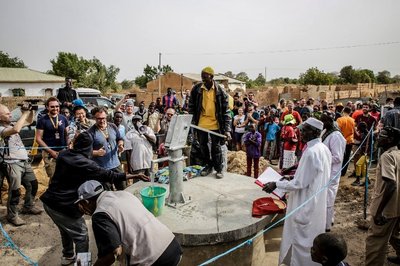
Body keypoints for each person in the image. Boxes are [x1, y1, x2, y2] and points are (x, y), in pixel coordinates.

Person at [40, 132, 148, 266]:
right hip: (63, 206)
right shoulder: (85, 164)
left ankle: (67, 256)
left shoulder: (64, 154)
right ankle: (83, 264)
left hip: (49, 202)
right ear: (88, 148)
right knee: (81, 236)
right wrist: (133, 176)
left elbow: (80, 153)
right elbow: (108, 174)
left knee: (65, 229)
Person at [263, 117, 332, 266]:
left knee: (300, 240)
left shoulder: (311, 152)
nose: (300, 132)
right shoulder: (323, 149)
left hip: (305, 202)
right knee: (310, 236)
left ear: (314, 132)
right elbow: (311, 175)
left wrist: (276, 184)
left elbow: (299, 183)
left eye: (304, 130)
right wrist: (290, 175)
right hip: (316, 201)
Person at [75, 180, 182, 266]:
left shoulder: (100, 215)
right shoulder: (123, 194)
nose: (82, 208)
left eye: (82, 204)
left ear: (86, 202)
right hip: (173, 246)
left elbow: (112, 254)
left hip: (154, 260)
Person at [0, 103, 43, 226]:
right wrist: (23, 113)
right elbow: (16, 130)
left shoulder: (11, 123)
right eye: (7, 113)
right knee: (15, 191)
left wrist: (30, 111)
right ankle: (12, 216)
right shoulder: (1, 128)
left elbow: (29, 121)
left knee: (33, 184)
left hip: (23, 161)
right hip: (11, 163)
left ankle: (28, 206)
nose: (10, 115)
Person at [188, 66, 231, 179]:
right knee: (203, 146)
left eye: (205, 76)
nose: (203, 78)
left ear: (211, 77)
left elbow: (226, 111)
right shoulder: (197, 89)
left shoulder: (220, 91)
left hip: (215, 122)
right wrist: (192, 120)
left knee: (216, 147)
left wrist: (227, 129)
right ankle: (208, 166)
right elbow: (191, 106)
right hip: (201, 122)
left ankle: (219, 168)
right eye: (202, 76)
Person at [365, 127, 400, 265]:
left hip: (387, 209)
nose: (378, 138)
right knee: (394, 234)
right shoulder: (398, 154)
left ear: (390, 140)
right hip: (397, 206)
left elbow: (391, 184)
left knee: (376, 241)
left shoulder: (387, 156)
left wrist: (379, 212)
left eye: (382, 136)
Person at [88, 107, 125, 191]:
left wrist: (120, 144)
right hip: (102, 168)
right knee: (107, 193)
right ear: (94, 118)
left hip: (116, 165)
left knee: (123, 189)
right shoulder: (90, 132)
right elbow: (85, 152)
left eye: (103, 118)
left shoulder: (112, 126)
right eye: (99, 119)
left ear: (107, 117)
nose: (102, 121)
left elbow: (120, 138)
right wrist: (96, 152)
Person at [320, 111, 346, 232]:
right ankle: (328, 220)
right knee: (325, 198)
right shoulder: (326, 131)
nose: (322, 122)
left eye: (325, 120)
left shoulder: (336, 135)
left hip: (332, 172)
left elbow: (338, 157)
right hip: (325, 170)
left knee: (328, 199)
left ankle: (327, 227)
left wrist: (320, 157)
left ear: (331, 121)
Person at [36, 97, 69, 181]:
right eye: (52, 106)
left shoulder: (63, 118)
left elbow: (67, 135)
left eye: (57, 106)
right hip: (49, 153)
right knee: (54, 177)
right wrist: (51, 151)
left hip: (63, 151)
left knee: (65, 176)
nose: (55, 108)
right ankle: (53, 193)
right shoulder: (42, 120)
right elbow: (38, 139)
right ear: (47, 107)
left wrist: (68, 146)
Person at [336, 107, 355, 177]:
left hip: (341, 140)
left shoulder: (339, 120)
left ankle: (339, 171)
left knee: (340, 156)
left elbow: (338, 130)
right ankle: (343, 172)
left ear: (343, 111)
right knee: (347, 157)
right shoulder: (352, 120)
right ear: (350, 112)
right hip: (350, 140)